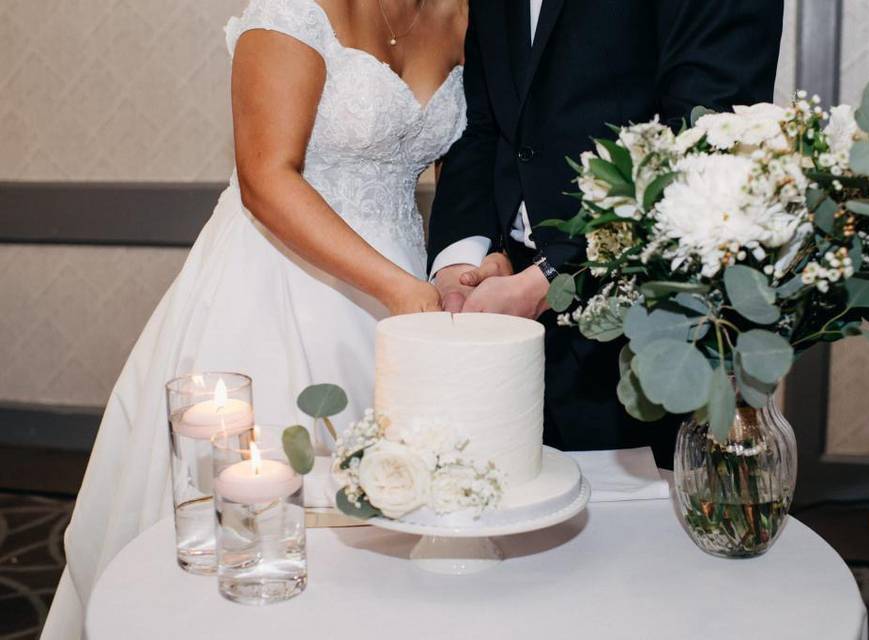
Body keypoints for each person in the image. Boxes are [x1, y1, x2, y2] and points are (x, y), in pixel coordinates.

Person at [41, 1, 469, 636]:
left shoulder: (466, 15)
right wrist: (395, 288)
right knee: (262, 522)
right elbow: (266, 177)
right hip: (277, 280)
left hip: (407, 292)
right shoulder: (295, 9)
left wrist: (450, 267)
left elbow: (472, 163)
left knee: (400, 521)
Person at [429, 0, 785, 463]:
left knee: (641, 528)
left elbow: (706, 137)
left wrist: (552, 276)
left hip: (644, 325)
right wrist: (461, 257)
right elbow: (482, 120)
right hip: (500, 312)